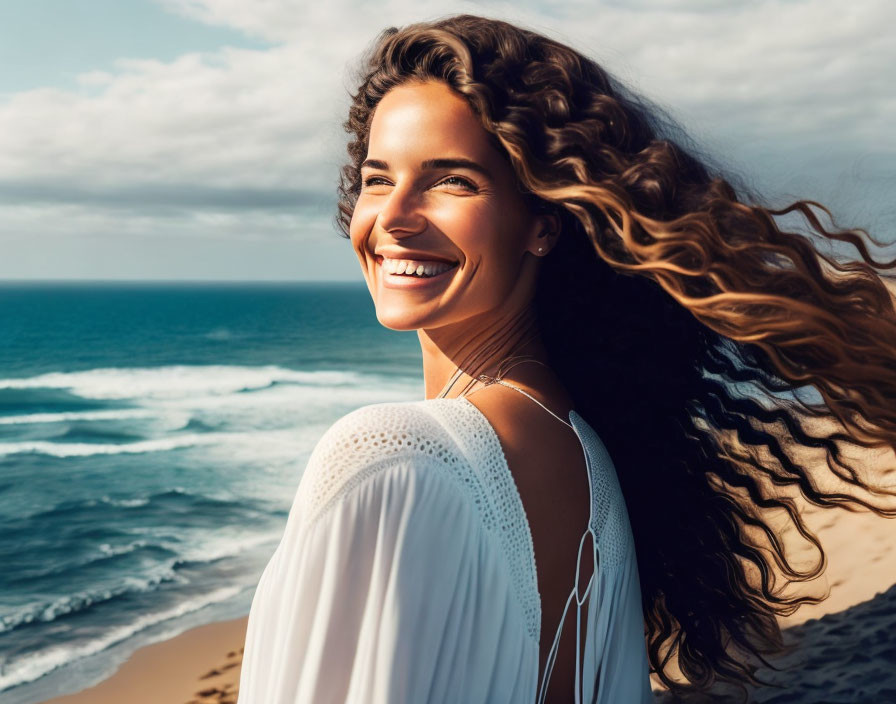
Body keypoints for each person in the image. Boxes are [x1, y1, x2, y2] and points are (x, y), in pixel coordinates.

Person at [237, 14, 896, 704]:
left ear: (543, 224)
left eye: (451, 182)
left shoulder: (393, 457)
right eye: (378, 179)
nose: (394, 216)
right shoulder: (589, 466)